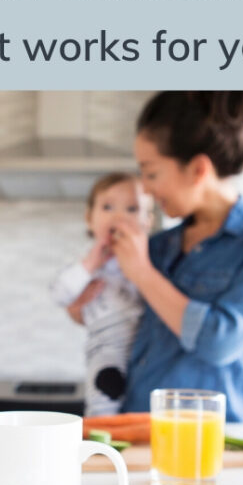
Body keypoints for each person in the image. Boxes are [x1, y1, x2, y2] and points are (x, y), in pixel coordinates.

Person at [98, 91, 243, 422]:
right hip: (134, 430)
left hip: (214, 446)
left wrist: (143, 274)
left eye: (151, 173)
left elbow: (221, 342)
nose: (146, 189)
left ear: (198, 169)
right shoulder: (158, 246)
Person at [51, 172, 153, 416]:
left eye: (132, 208)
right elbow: (59, 294)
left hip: (147, 353)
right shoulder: (86, 266)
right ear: (90, 219)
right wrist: (90, 263)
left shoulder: (152, 260)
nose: (119, 216)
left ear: (148, 221)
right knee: (103, 406)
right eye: (108, 207)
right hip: (105, 350)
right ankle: (101, 447)